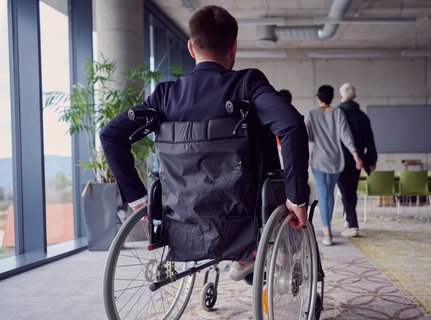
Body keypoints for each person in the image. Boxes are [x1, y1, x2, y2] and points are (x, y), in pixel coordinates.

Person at [99, 5, 310, 282]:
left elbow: (110, 135)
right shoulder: (247, 83)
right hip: (246, 216)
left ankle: (248, 260)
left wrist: (140, 201)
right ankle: (260, 256)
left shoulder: (165, 96)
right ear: (233, 47)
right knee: (261, 126)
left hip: (182, 216)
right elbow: (291, 126)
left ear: (190, 47)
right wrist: (296, 197)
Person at [305, 85, 363, 246]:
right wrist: (355, 154)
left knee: (323, 194)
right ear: (332, 98)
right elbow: (346, 136)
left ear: (318, 98)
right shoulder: (338, 113)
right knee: (328, 194)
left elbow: (308, 136)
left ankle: (327, 232)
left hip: (318, 161)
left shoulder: (312, 113)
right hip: (336, 160)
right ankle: (327, 227)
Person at [336, 83, 377, 238]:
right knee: (350, 190)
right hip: (357, 160)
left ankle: (353, 225)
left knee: (345, 190)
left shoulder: (337, 113)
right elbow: (369, 140)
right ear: (354, 97)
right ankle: (348, 219)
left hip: (340, 159)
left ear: (341, 97)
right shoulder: (362, 116)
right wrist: (371, 160)